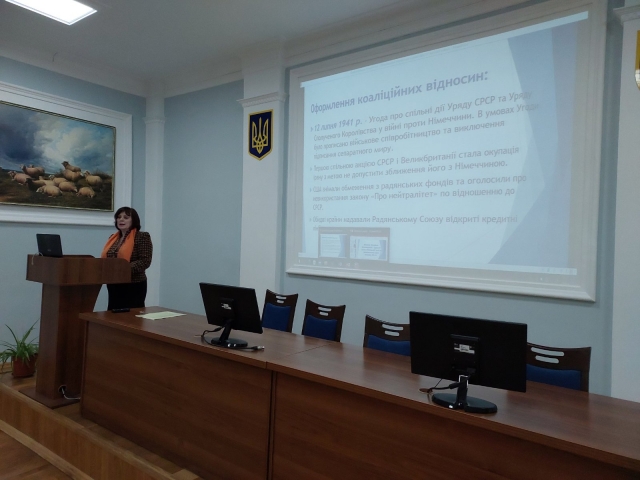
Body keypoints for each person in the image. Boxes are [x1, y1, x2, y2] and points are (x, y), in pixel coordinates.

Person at [101, 206, 153, 310]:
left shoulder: (142, 236)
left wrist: (122, 269)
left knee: (131, 316)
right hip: (113, 283)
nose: (121, 219)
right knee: (113, 314)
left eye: (126, 217)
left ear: (134, 220)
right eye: (119, 217)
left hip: (133, 284)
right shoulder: (113, 238)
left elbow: (145, 261)